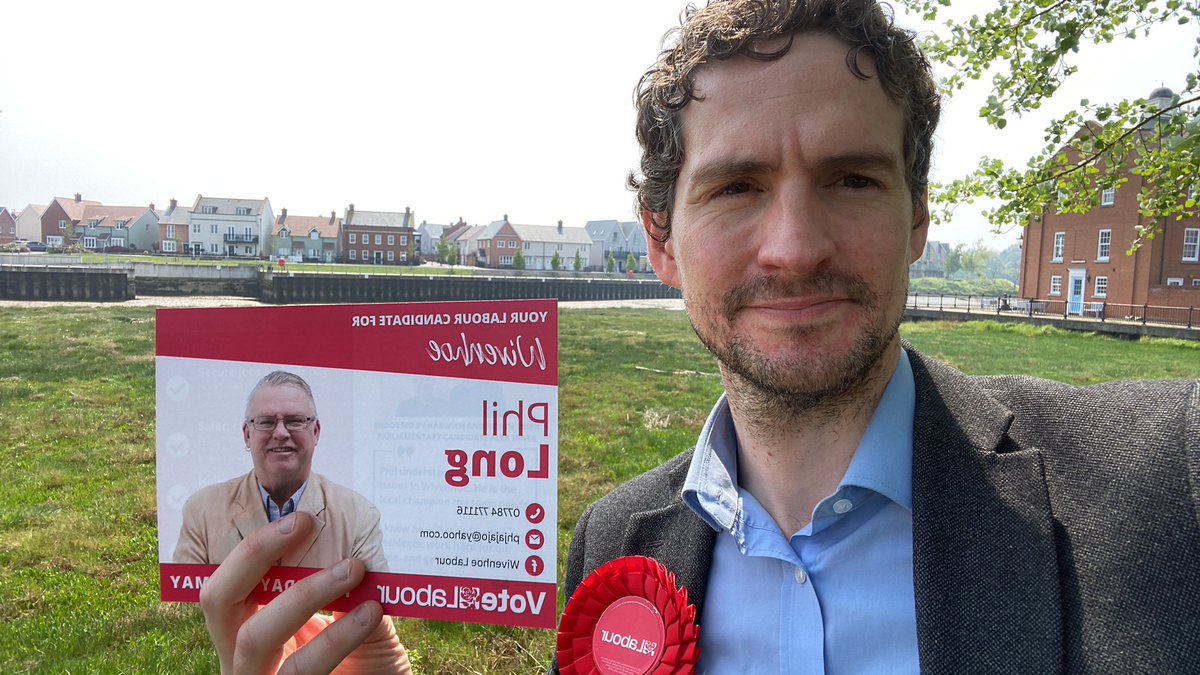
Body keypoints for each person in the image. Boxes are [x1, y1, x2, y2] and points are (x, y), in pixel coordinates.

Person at [193, 1, 1200, 672]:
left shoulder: (1164, 475)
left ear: (920, 222)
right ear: (660, 241)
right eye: (737, 188)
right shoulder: (612, 548)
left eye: (852, 179)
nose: (795, 247)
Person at [174, 370, 388, 573]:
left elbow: (377, 610)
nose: (280, 432)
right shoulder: (201, 511)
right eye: (266, 422)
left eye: (295, 421)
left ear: (316, 432)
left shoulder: (359, 517)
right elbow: (185, 609)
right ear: (247, 435)